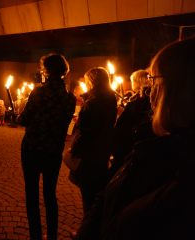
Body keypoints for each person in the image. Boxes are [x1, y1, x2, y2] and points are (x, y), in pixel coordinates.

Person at [72, 36, 195, 240]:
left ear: (180, 89)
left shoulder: (179, 174)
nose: (149, 91)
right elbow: (108, 198)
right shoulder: (156, 149)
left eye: (154, 80)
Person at [16, 53, 76, 240]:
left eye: (43, 69)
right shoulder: (70, 98)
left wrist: (17, 116)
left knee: (32, 194)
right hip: (53, 150)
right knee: (50, 194)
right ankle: (52, 236)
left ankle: (36, 235)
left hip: (32, 149)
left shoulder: (38, 92)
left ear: (46, 71)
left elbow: (24, 120)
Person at [68, 67, 117, 214]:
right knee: (98, 193)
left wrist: (74, 150)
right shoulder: (110, 99)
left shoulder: (92, 103)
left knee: (89, 196)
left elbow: (85, 134)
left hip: (89, 156)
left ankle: (88, 232)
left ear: (92, 82)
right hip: (103, 151)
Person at [110, 69, 155, 177]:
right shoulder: (150, 101)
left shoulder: (137, 104)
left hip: (132, 153)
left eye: (132, 81)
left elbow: (122, 132)